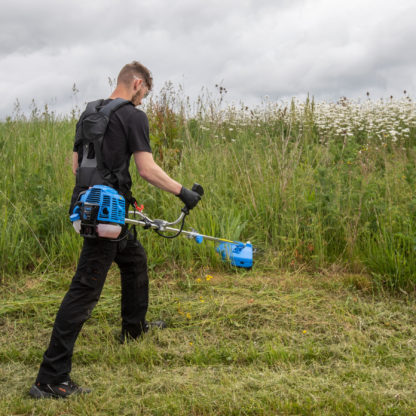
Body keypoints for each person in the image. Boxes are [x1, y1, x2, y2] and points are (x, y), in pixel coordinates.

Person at [29, 61, 201, 399]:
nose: (141, 102)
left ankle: (134, 329)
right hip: (107, 216)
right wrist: (184, 192)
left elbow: (76, 165)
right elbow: (147, 168)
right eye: (143, 95)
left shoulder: (89, 113)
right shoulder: (132, 115)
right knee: (83, 291)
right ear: (137, 83)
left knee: (134, 259)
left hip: (94, 207)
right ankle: (50, 379)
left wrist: (100, 196)